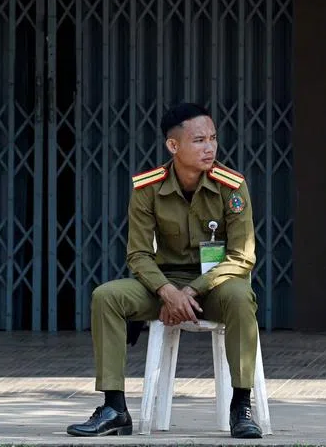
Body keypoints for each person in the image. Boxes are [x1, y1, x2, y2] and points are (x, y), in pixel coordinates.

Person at [66, 102, 263, 439]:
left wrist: (192, 290)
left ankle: (242, 405)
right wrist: (168, 292)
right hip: (162, 286)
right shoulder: (148, 188)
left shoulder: (232, 186)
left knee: (242, 295)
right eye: (199, 140)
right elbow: (139, 255)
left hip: (213, 289)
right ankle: (114, 408)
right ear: (174, 146)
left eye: (213, 138)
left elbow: (242, 257)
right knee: (107, 297)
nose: (210, 147)